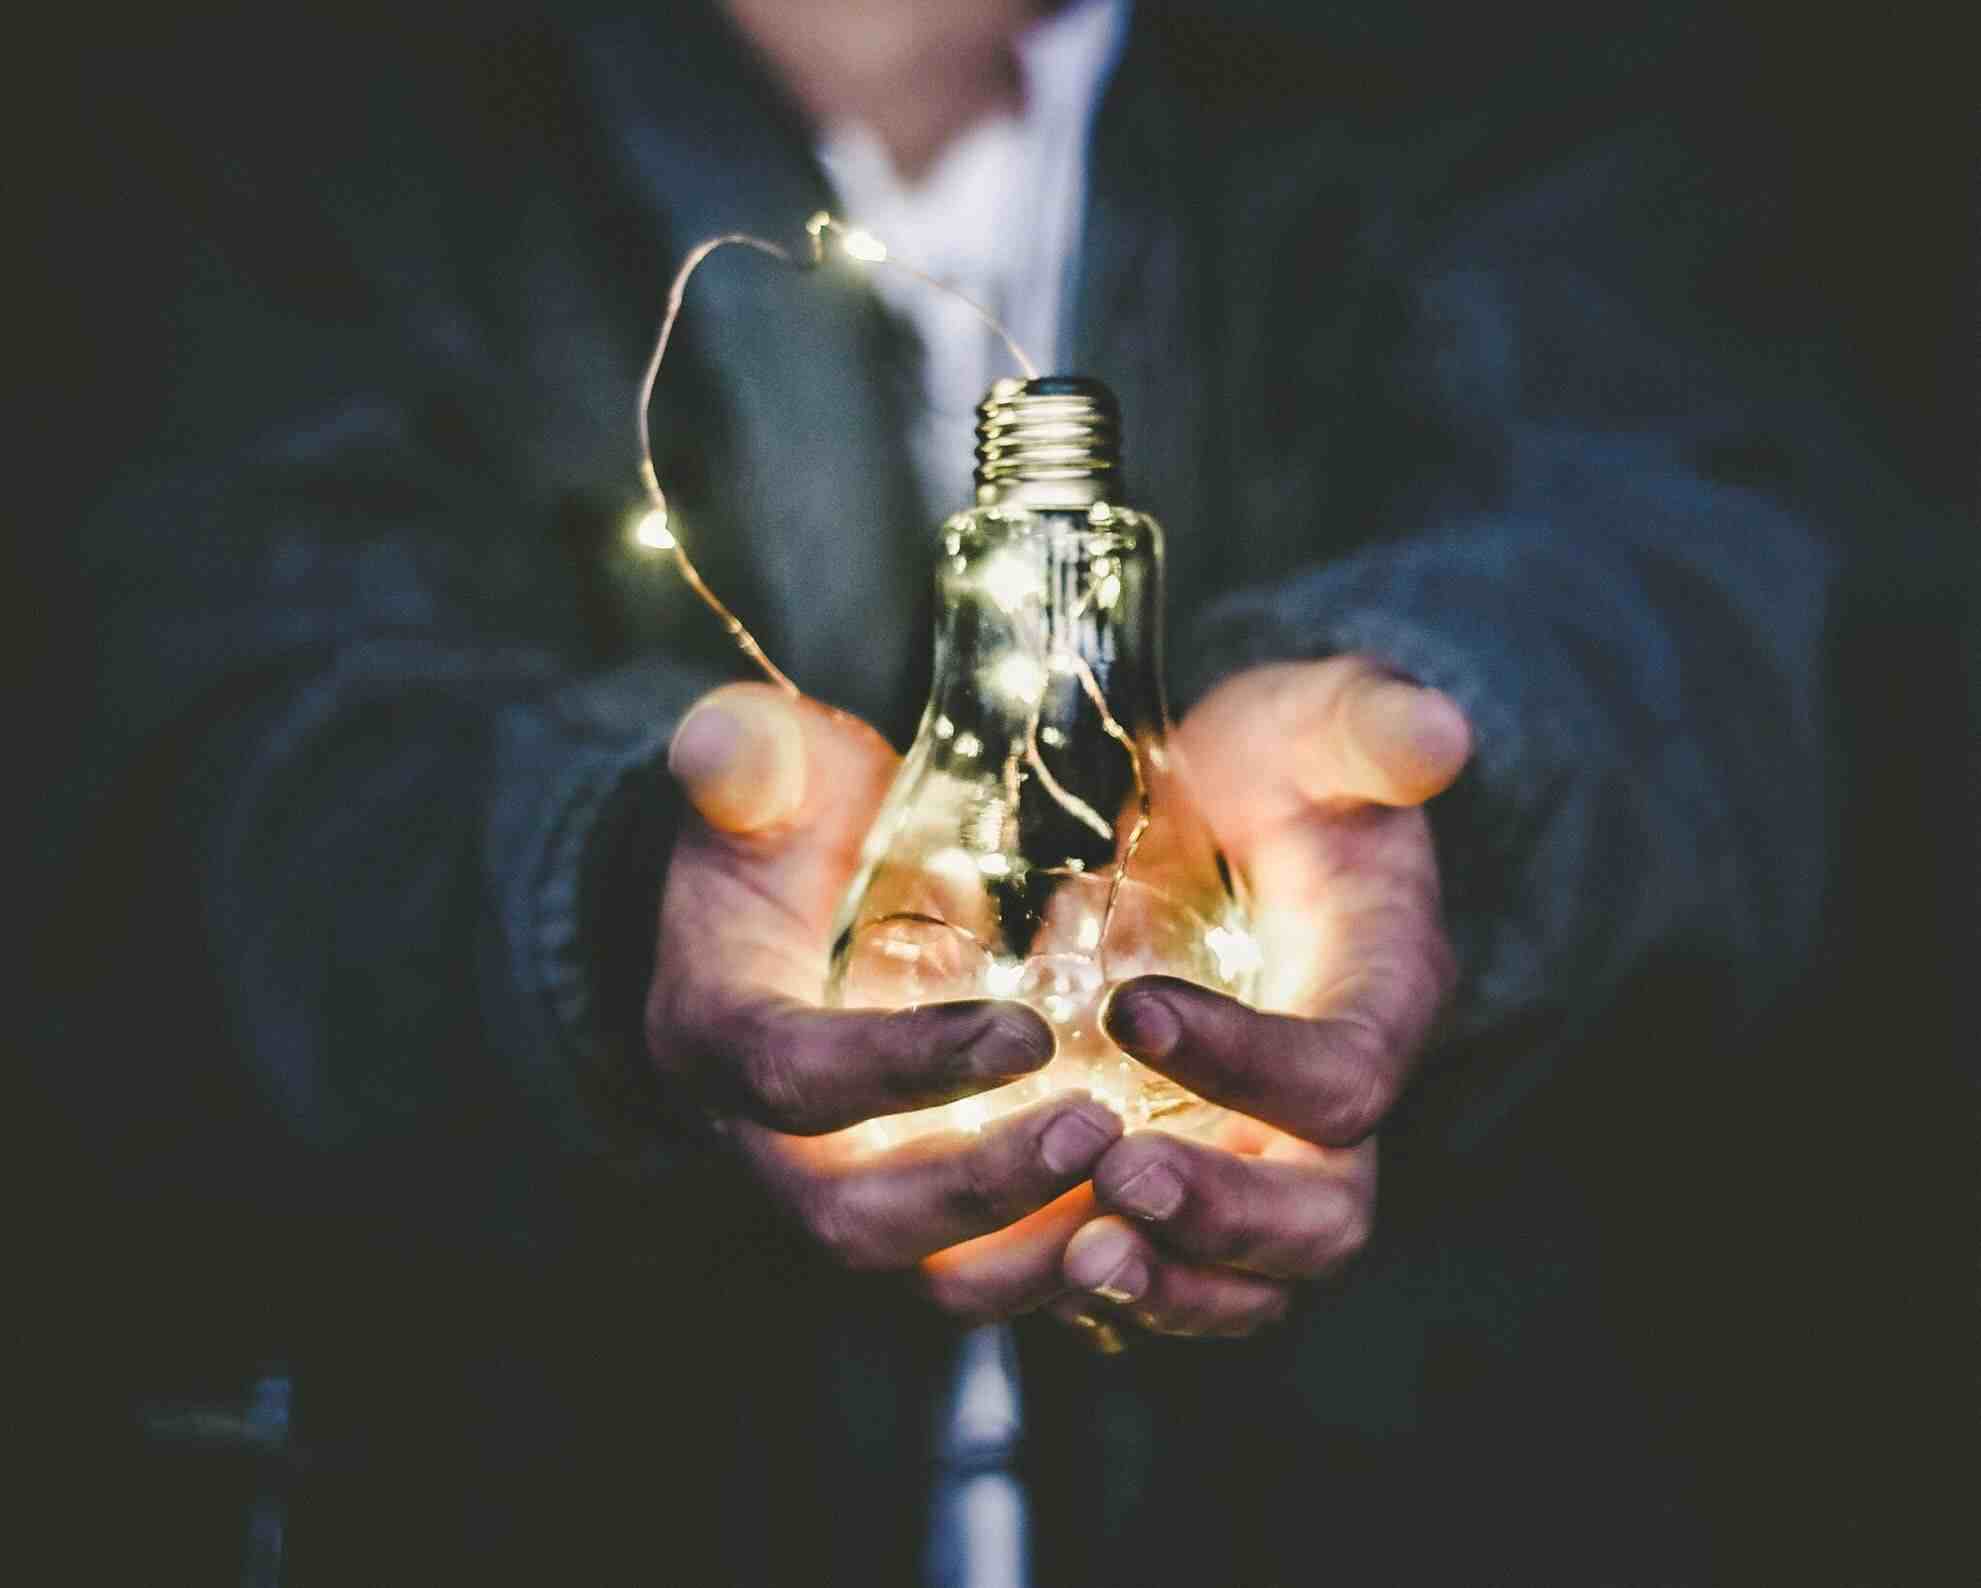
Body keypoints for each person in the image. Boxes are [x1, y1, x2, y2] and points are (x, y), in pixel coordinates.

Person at [29, 2, 1966, 1583]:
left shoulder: (1509, 75)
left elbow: (1743, 578)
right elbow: (158, 728)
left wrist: (1444, 776)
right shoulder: (282, 111)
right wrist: (607, 893)